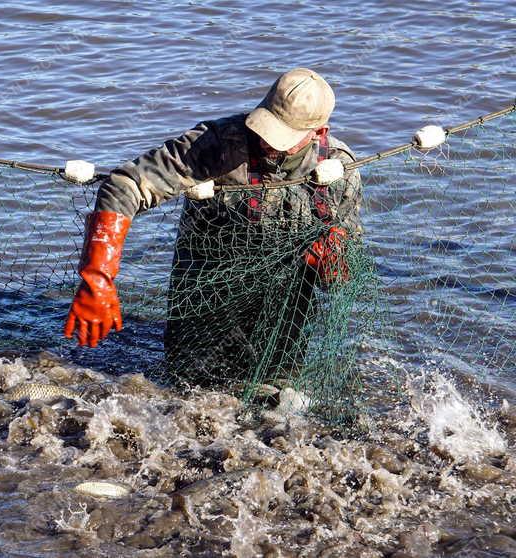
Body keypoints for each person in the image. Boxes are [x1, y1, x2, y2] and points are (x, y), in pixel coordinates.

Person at [63, 68, 362, 386]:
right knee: (188, 385)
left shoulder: (338, 170)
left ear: (318, 132)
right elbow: (126, 185)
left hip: (285, 299)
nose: (268, 143)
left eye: (283, 138)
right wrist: (98, 276)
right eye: (268, 127)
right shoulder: (217, 143)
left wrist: (333, 259)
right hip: (205, 285)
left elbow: (346, 265)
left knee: (277, 391)